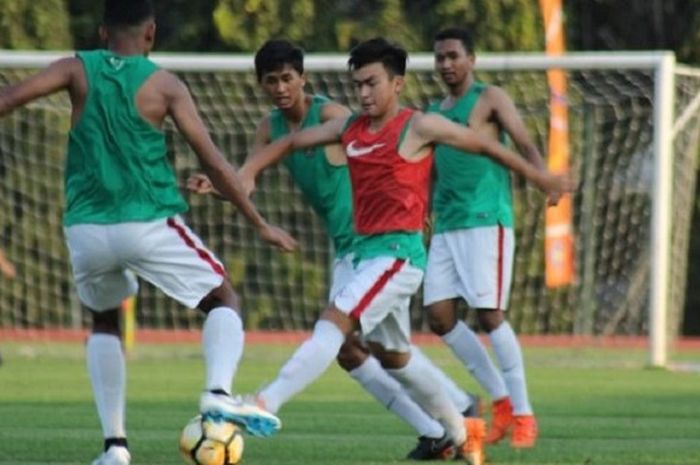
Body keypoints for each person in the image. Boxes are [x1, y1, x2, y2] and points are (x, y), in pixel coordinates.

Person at [233, 37, 572, 464]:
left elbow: (484, 145)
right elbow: (290, 142)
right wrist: (247, 170)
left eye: (371, 83)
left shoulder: (420, 126)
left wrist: (541, 178)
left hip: (398, 255)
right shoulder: (349, 127)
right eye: (357, 85)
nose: (363, 94)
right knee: (395, 357)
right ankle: (460, 433)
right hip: (362, 254)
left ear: (398, 84)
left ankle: (266, 402)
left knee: (334, 321)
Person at [0, 1, 297, 465]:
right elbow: (213, 161)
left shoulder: (76, 69)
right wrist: (259, 222)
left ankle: (115, 447)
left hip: (87, 232)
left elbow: (7, 100)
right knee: (222, 299)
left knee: (104, 320)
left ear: (102, 32)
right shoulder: (164, 85)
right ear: (151, 33)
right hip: (147, 223)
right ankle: (218, 392)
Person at [187, 38, 483, 461]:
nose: (280, 88)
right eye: (270, 81)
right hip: (349, 247)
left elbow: (396, 155)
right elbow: (246, 182)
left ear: (303, 79)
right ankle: (451, 427)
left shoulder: (334, 116)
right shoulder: (268, 130)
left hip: (380, 244)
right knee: (377, 350)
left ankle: (269, 401)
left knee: (343, 332)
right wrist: (222, 187)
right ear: (261, 85)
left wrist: (421, 208)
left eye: (287, 78)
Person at [424, 27, 556, 449]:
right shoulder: (432, 111)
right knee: (439, 316)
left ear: (471, 59)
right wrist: (423, 205)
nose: (446, 64)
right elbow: (427, 164)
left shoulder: (489, 98)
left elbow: (522, 140)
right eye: (440, 57)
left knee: (489, 314)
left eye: (453, 56)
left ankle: (523, 413)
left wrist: (543, 180)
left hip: (485, 219)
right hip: (447, 223)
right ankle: (500, 401)